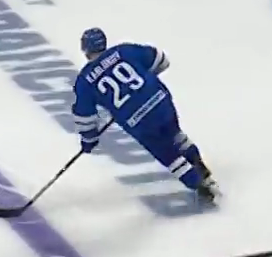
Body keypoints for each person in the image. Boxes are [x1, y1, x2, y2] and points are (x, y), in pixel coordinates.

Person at [71, 27, 218, 203]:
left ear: (85, 49)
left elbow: (84, 117)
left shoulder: (85, 80)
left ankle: (201, 187)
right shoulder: (125, 50)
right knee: (176, 135)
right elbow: (161, 60)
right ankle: (201, 169)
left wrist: (89, 140)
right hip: (161, 102)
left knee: (167, 154)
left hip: (137, 120)